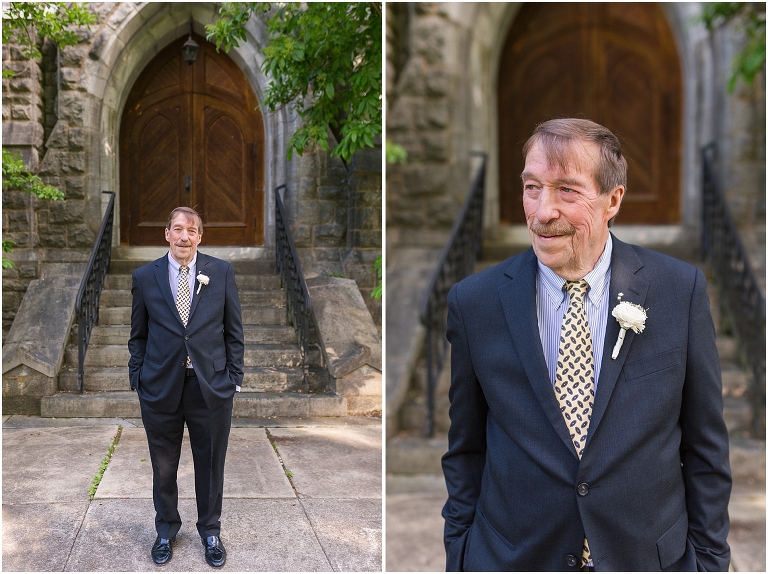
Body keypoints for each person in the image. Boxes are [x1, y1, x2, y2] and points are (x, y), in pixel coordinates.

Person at [442, 118, 732, 571]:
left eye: (566, 191)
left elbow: (706, 448)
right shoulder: (474, 303)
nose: (541, 212)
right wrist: (461, 556)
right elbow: (465, 448)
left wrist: (710, 562)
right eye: (532, 187)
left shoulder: (678, 290)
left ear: (612, 200)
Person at [128, 206, 244, 568]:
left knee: (210, 464)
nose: (184, 236)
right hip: (160, 386)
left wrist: (233, 380)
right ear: (167, 234)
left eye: (191, 231)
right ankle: (166, 530)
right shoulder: (146, 276)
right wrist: (139, 377)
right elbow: (138, 335)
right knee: (163, 465)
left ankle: (211, 531)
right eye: (177, 229)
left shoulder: (220, 273)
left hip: (209, 387)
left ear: (199, 236)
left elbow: (234, 333)